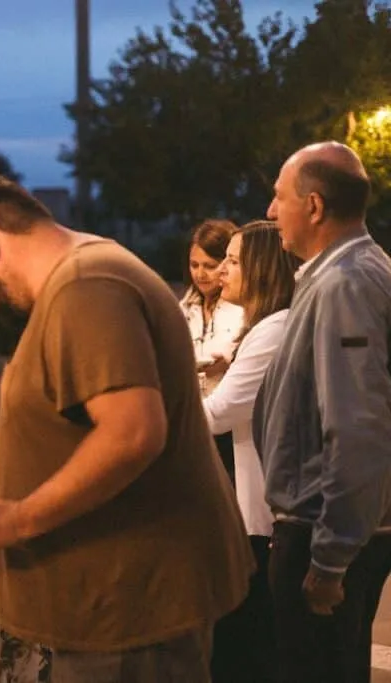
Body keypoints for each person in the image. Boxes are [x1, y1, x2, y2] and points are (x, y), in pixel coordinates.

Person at [0, 172, 253, 683]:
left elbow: (134, 433)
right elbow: (25, 423)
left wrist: (18, 519)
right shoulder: (80, 278)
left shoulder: (87, 287)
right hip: (114, 604)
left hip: (130, 607)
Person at [253, 141, 391, 683]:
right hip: (343, 529)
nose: (270, 213)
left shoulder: (343, 284)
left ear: (313, 206)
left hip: (323, 534)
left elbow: (357, 428)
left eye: (278, 197)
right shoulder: (360, 269)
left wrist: (330, 561)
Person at [201, 221, 301, 683]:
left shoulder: (274, 329)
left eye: (234, 261)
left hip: (262, 512)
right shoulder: (265, 326)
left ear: (262, 269)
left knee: (247, 646)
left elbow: (219, 414)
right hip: (254, 506)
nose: (222, 270)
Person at [180, 219, 243, 481]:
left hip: (230, 426)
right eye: (195, 265)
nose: (201, 274)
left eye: (210, 266)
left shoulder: (242, 309)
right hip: (194, 421)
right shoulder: (186, 306)